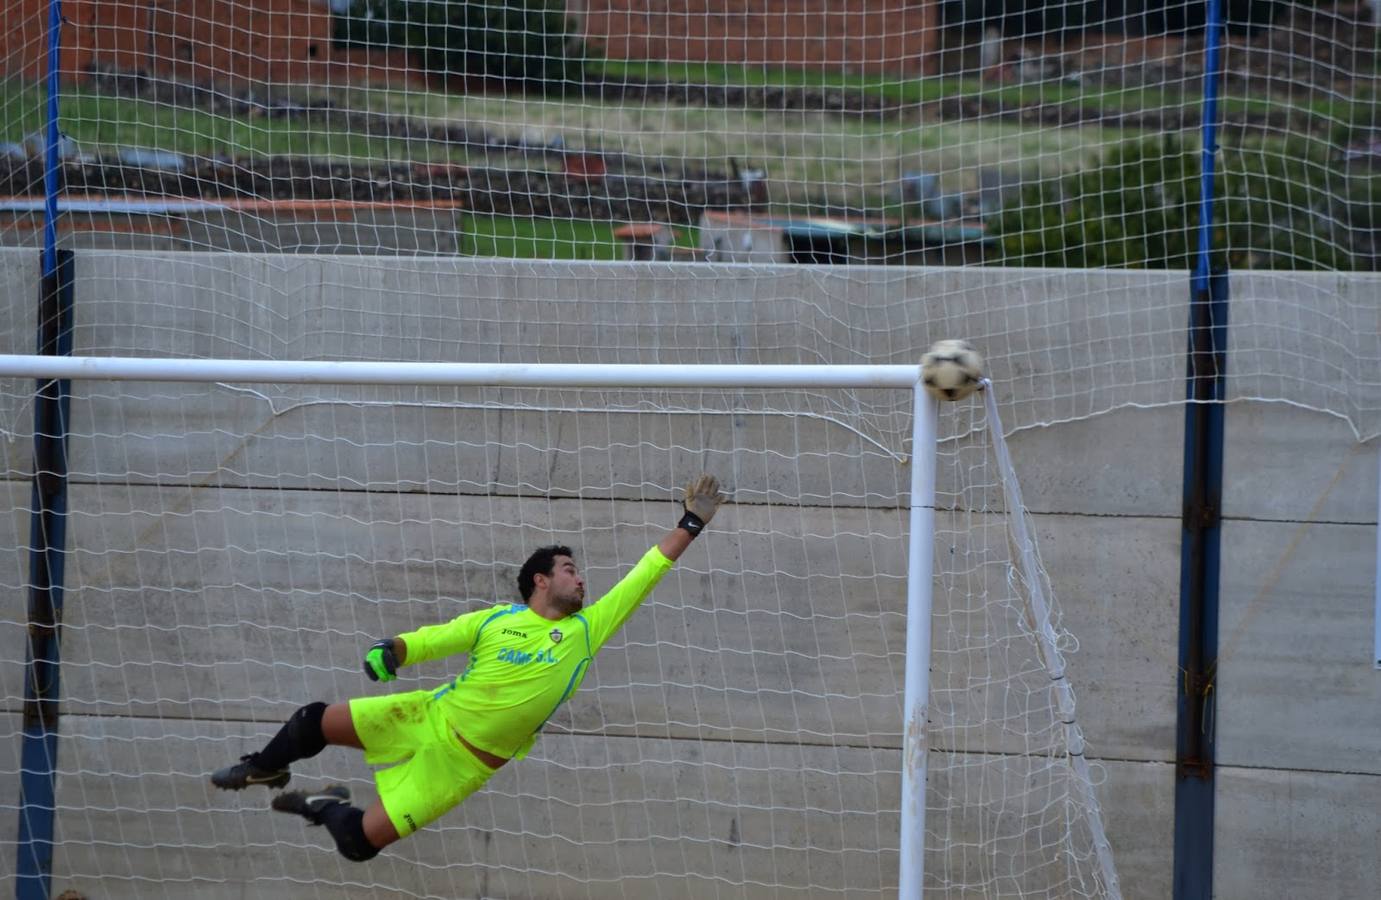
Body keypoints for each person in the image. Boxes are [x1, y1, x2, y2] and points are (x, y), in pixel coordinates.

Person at [209, 474, 726, 862]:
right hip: (430, 714)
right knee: (312, 720)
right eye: (569, 570)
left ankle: (323, 806)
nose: (581, 580)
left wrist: (692, 522)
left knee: (357, 843)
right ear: (540, 582)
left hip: (463, 764)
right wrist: (393, 649)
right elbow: (438, 638)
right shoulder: (497, 620)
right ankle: (264, 766)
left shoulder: (587, 630)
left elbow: (647, 571)